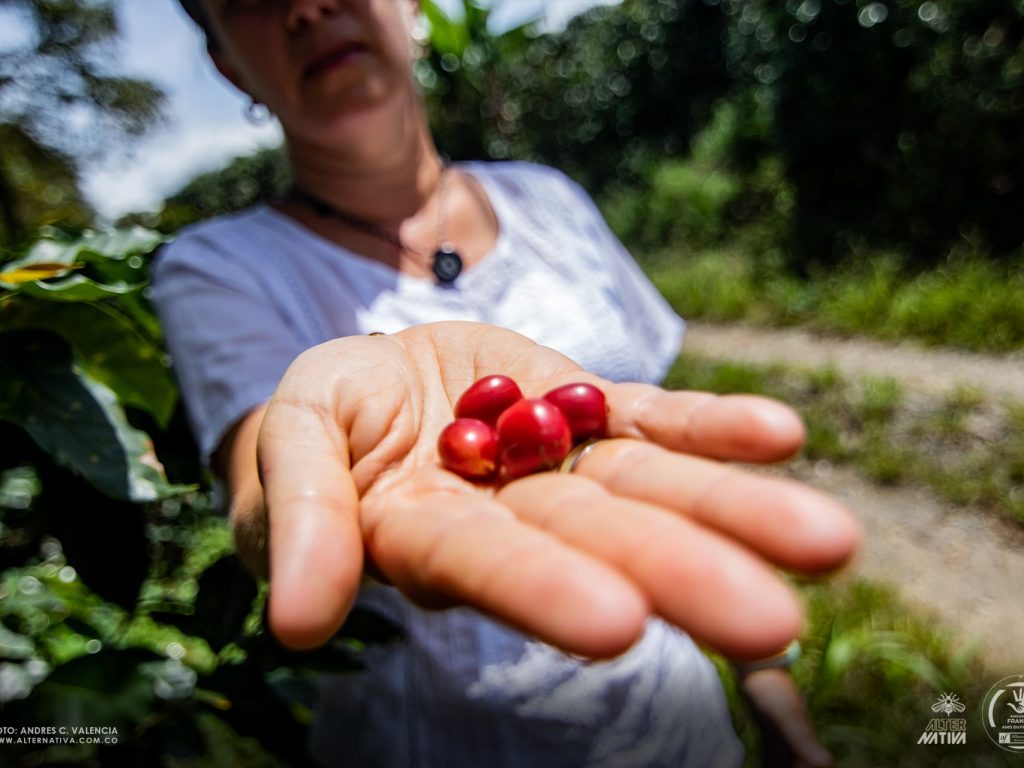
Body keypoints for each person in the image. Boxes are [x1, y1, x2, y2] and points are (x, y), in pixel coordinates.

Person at [154, 1, 860, 766]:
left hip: (674, 729)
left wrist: (766, 678)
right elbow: (263, 490)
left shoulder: (547, 201)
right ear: (227, 63)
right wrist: (307, 495)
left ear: (409, 8)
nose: (308, 9)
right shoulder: (216, 268)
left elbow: (664, 445)